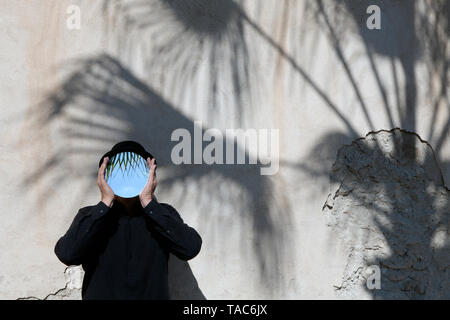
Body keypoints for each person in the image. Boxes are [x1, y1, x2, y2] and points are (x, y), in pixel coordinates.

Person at [54, 141, 202, 300]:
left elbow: (190, 248)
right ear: (105, 176)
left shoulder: (162, 214)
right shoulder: (92, 215)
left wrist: (148, 203)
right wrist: (104, 203)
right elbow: (67, 254)